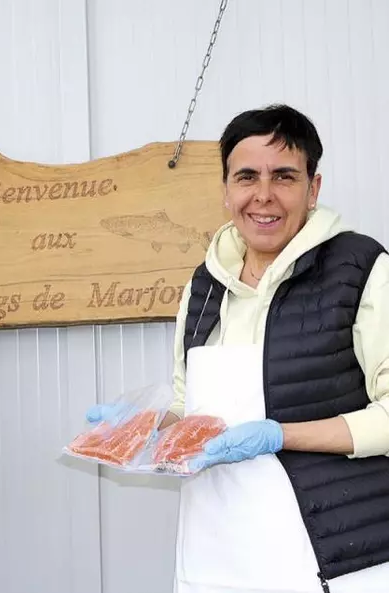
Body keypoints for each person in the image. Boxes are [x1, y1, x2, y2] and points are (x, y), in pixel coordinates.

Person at [89, 104, 389, 593]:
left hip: (332, 559)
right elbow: (192, 411)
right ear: (226, 191)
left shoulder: (362, 269)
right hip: (218, 554)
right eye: (246, 176)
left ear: (313, 189)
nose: (263, 196)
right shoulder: (204, 286)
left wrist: (280, 434)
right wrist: (145, 426)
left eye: (284, 176)